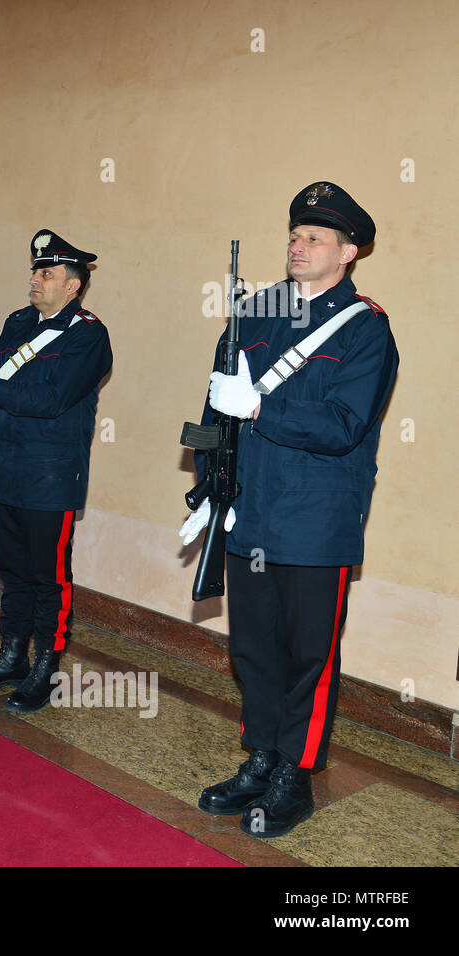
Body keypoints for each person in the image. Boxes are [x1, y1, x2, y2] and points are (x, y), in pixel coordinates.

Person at [181, 182, 398, 839]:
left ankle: (294, 776)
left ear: (349, 251)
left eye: (316, 238)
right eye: (295, 235)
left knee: (309, 655)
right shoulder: (256, 312)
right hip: (249, 509)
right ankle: (260, 758)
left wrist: (261, 408)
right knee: (253, 648)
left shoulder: (365, 328)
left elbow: (344, 424)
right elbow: (217, 403)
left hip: (315, 517)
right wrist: (205, 488)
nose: (298, 245)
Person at [0, 231, 112, 714]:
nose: (35, 279)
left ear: (73, 287)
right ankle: (12, 654)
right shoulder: (18, 322)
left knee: (49, 575)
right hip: (10, 468)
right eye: (35, 271)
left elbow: (49, 400)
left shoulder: (87, 335)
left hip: (51, 474)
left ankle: (46, 665)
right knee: (14, 571)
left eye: (47, 273)